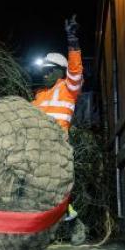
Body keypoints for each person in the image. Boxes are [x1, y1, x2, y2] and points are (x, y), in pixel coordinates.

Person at [32, 15, 83, 220]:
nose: (44, 75)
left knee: (57, 180)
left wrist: (73, 41)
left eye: (48, 71)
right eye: (42, 71)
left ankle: (66, 212)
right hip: (36, 144)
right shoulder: (40, 94)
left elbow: (76, 71)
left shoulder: (68, 88)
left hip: (57, 144)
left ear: (60, 71)